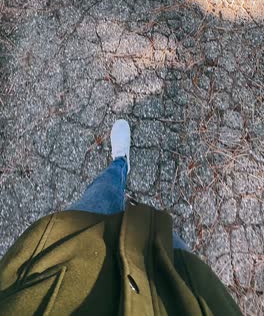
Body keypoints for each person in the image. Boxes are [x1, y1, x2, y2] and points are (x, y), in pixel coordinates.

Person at [0, 120, 241, 315]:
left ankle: (120, 164)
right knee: (157, 233)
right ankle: (128, 193)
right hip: (180, 296)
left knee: (102, 192)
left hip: (60, 271)